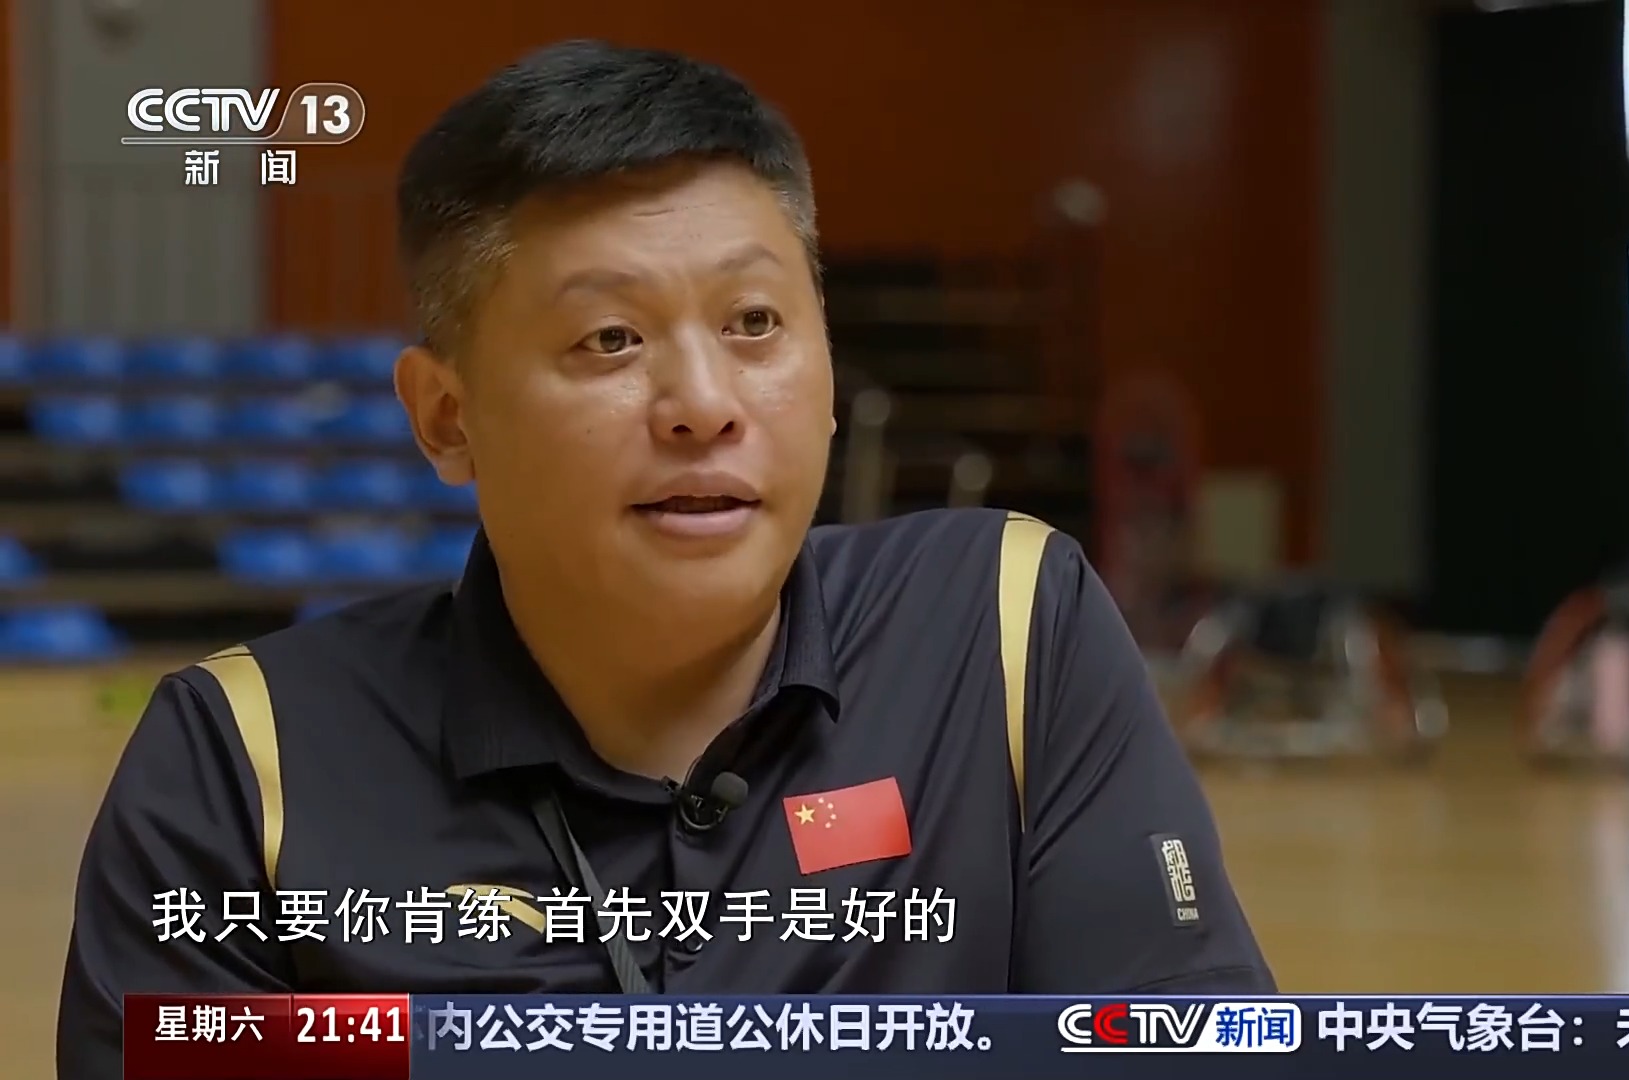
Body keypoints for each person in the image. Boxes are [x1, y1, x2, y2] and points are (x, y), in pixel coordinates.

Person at [58, 39, 1273, 1077]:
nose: (704, 403)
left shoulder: (1005, 631)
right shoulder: (243, 767)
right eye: (610, 338)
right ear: (446, 418)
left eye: (756, 323)